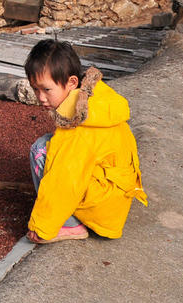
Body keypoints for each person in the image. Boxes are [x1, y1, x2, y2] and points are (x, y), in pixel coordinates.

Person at [24, 39, 147, 242]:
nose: (41, 97)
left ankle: (70, 225)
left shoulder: (78, 129)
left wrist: (43, 227)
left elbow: (64, 181)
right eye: (35, 89)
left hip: (102, 206)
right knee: (53, 144)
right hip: (116, 194)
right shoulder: (96, 99)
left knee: (41, 150)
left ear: (72, 82)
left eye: (46, 90)